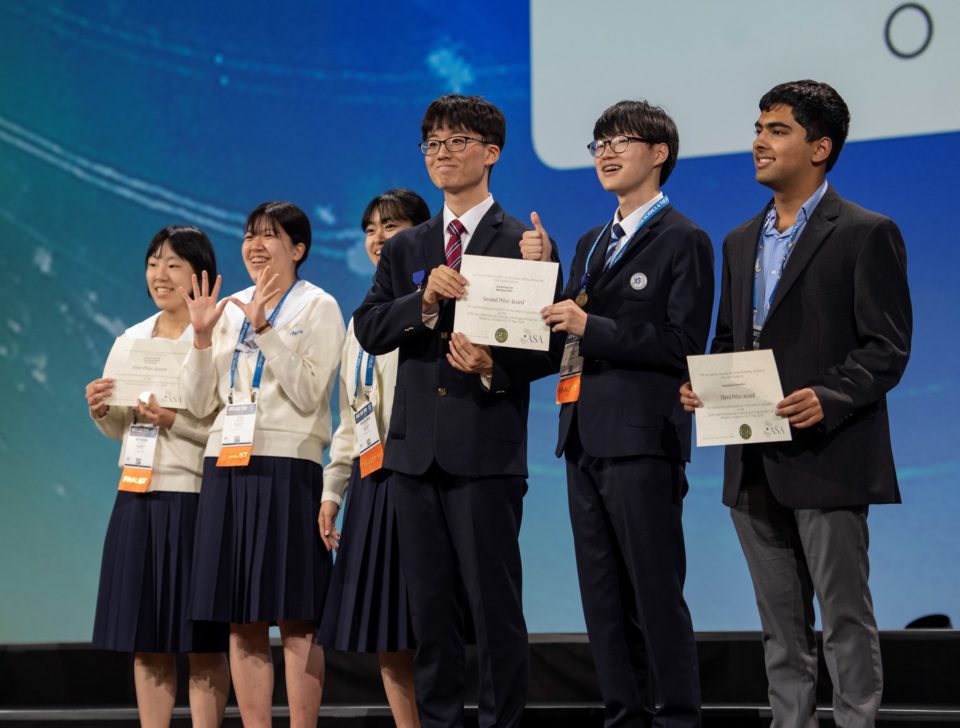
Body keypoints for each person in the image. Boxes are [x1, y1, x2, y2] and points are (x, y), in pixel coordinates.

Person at [680, 80, 912, 728]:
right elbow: (729, 340)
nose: (758, 141)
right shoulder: (737, 242)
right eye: (757, 127)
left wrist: (830, 396)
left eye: (776, 129)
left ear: (820, 146)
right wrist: (705, 383)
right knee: (779, 630)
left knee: (843, 619)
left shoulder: (867, 233)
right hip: (751, 460)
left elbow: (887, 347)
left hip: (828, 457)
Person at [353, 94, 562, 728]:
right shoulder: (408, 247)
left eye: (457, 142)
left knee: (494, 607)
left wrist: (494, 369)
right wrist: (423, 300)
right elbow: (367, 326)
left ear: (491, 153)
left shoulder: (524, 242)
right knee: (430, 612)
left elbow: (551, 346)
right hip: (413, 457)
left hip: (486, 451)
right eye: (433, 145)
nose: (443, 155)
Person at [531, 100, 713, 727]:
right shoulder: (589, 242)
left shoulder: (684, 239)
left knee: (654, 593)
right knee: (602, 598)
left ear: (660, 154)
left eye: (621, 141)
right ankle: (623, 717)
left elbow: (682, 346)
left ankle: (678, 718)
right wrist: (544, 278)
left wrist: (593, 326)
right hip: (581, 436)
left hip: (642, 438)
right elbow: (570, 327)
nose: (605, 152)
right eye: (598, 143)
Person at [179, 202, 345, 728]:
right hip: (226, 463)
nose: (254, 244)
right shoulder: (223, 308)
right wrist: (202, 338)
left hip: (287, 464)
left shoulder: (319, 306)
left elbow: (307, 391)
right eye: (249, 234)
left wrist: (267, 330)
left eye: (269, 235)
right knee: (241, 617)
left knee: (296, 616)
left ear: (297, 249)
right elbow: (199, 402)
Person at [86, 225, 229, 728]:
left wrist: (177, 423)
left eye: (173, 264)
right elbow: (118, 427)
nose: (159, 275)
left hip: (193, 496)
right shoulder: (130, 339)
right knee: (146, 640)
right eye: (153, 263)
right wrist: (102, 410)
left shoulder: (218, 334)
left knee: (203, 641)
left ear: (199, 274)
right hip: (137, 497)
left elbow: (222, 422)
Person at [316, 188, 431, 728]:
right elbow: (350, 413)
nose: (379, 238)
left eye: (392, 226)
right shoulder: (361, 319)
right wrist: (333, 490)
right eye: (369, 229)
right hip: (371, 478)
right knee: (388, 627)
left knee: (429, 621)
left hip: (421, 476)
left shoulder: (438, 302)